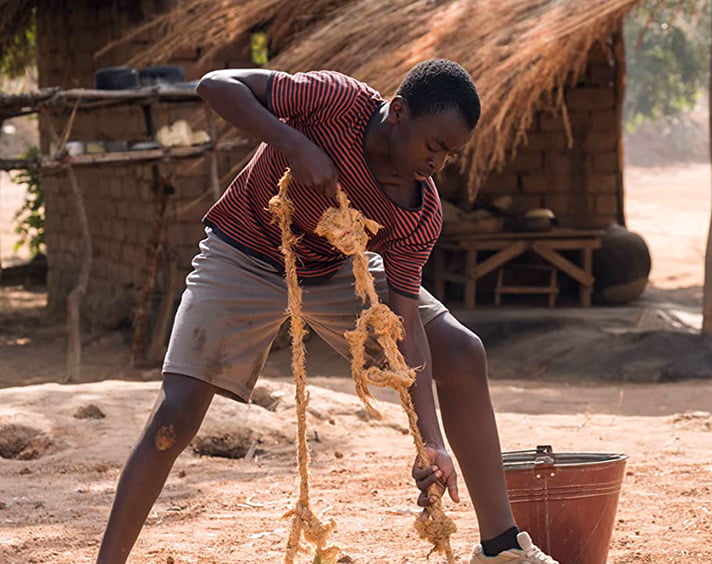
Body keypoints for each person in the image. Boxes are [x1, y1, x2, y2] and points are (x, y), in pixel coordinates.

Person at [94, 59, 559, 564]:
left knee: (463, 353)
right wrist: (294, 144)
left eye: (451, 154)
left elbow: (402, 324)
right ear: (398, 111)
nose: (439, 164)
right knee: (176, 414)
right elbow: (215, 86)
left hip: (340, 270)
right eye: (434, 146)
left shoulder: (418, 211)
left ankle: (501, 546)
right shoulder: (337, 102)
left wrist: (431, 442)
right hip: (244, 252)